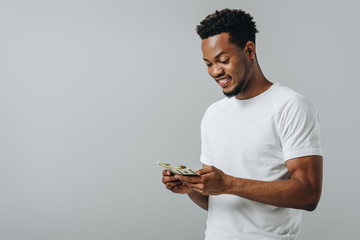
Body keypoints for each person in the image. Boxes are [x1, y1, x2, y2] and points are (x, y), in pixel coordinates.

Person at [161, 8, 323, 240]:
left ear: (249, 50)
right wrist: (191, 188)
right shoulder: (213, 114)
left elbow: (308, 193)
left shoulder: (290, 106)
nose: (216, 72)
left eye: (223, 60)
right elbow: (218, 201)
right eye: (208, 64)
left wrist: (227, 184)